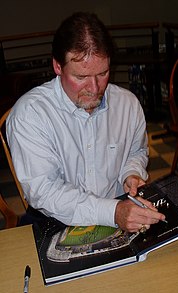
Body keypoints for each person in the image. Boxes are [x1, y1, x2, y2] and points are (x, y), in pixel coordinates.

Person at [6, 12, 165, 232]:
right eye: (81, 77)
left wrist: (132, 173)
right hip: (56, 219)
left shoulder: (127, 104)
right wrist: (113, 212)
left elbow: (136, 152)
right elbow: (45, 192)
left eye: (103, 73)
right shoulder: (30, 114)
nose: (94, 88)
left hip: (120, 209)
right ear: (58, 67)